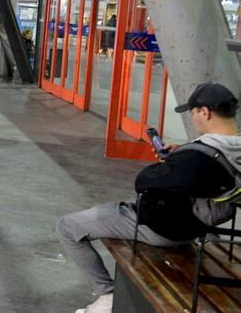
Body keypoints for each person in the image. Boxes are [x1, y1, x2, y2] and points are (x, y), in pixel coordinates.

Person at [57, 83, 241, 313]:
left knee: (68, 226)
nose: (194, 119)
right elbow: (203, 173)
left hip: (166, 229)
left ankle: (107, 295)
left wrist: (170, 165)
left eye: (193, 113)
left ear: (204, 112)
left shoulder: (195, 158)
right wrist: (179, 157)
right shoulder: (231, 150)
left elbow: (143, 181)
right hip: (200, 227)